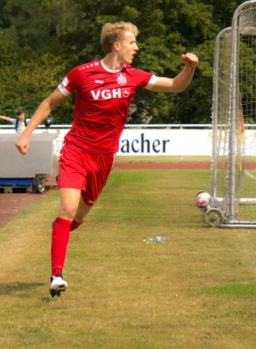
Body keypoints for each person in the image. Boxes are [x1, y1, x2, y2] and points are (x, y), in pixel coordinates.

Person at [15, 21, 199, 297]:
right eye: (132, 42)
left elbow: (174, 86)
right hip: (76, 151)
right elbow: (49, 103)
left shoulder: (134, 76)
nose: (136, 48)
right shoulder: (82, 73)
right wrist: (27, 133)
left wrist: (190, 68)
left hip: (104, 158)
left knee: (79, 217)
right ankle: (57, 275)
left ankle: (60, 231)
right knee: (66, 209)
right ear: (116, 45)